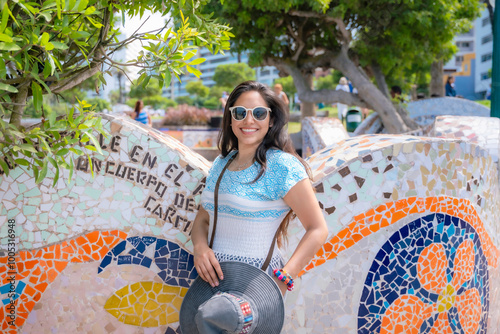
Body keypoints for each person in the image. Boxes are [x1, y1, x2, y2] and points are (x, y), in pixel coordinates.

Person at [190, 81, 328, 298]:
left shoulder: (283, 167)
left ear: (271, 119)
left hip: (258, 287)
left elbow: (317, 228)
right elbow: (204, 218)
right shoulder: (221, 163)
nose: (249, 120)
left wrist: (284, 278)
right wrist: (200, 247)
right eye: (240, 112)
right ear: (230, 118)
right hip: (210, 286)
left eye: (259, 113)